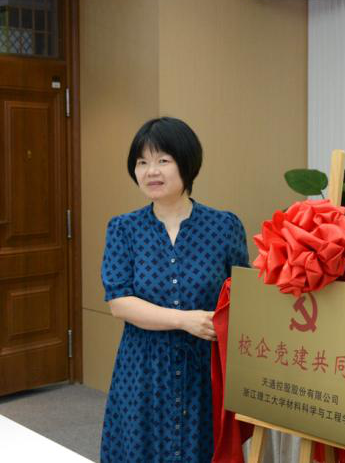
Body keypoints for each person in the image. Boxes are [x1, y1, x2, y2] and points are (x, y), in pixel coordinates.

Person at [100, 117, 249, 462]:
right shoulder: (123, 229)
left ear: (187, 163)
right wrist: (184, 320)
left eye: (162, 160)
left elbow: (241, 296)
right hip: (142, 369)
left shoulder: (224, 226)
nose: (151, 171)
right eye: (142, 162)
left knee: (202, 448)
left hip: (204, 369)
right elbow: (120, 302)